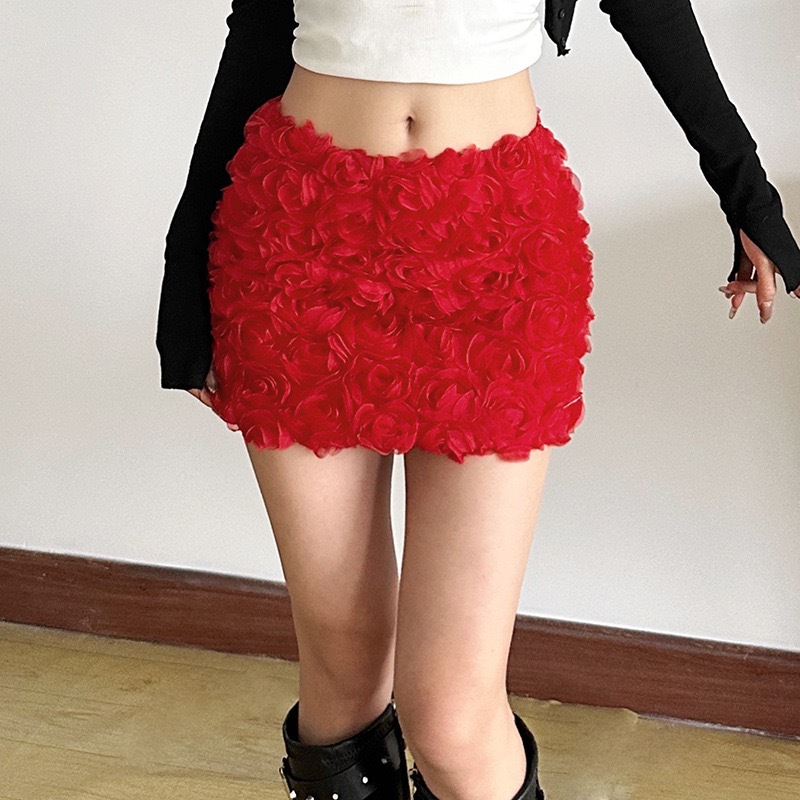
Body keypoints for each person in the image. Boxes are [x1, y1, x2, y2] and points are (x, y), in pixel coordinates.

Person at [155, 3, 800, 800]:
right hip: (299, 240)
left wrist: (747, 194)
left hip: (498, 248)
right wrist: (185, 261)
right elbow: (261, 26)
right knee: (340, 668)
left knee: (451, 716)